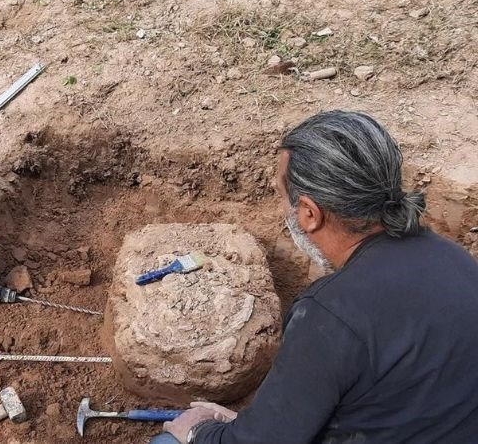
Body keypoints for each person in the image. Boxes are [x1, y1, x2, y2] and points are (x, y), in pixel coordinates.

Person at [153, 111, 478, 443]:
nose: (284, 210)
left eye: (283, 196)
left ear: (309, 213)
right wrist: (264, 420)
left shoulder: (329, 315)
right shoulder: (454, 259)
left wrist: (199, 430)